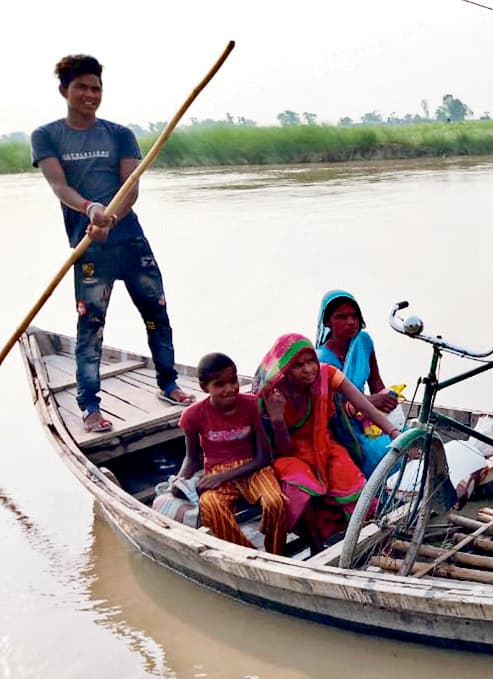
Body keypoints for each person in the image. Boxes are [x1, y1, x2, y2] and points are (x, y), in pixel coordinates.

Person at [31, 54, 193, 434]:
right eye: (82, 87)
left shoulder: (119, 134)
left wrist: (112, 217)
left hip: (130, 240)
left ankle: (169, 384)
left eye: (96, 88)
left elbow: (130, 186)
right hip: (88, 247)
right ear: (64, 91)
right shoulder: (47, 136)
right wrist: (90, 210)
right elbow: (59, 186)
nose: (90, 94)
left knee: (158, 314)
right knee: (91, 327)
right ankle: (90, 407)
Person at [257, 334, 402, 548]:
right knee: (300, 486)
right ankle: (316, 544)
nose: (308, 370)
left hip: (324, 444)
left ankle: (365, 534)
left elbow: (365, 407)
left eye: (310, 362)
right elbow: (281, 450)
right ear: (286, 368)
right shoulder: (274, 395)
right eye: (298, 365)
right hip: (290, 453)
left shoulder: (327, 374)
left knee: (351, 482)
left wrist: (394, 433)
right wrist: (277, 418)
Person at [177, 353, 287, 555]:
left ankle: (276, 554)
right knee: (210, 505)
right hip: (217, 471)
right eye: (220, 384)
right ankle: (249, 555)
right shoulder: (193, 415)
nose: (230, 389)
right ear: (204, 387)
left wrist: (223, 476)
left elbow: (264, 458)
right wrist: (178, 482)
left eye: (233, 381)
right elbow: (192, 458)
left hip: (253, 468)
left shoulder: (253, 405)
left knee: (276, 502)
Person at [315, 289, 401, 475]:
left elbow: (376, 383)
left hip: (369, 418)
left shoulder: (364, 341)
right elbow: (333, 409)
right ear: (327, 321)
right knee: (383, 452)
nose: (351, 322)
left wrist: (388, 400)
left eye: (354, 316)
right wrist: (372, 401)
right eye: (342, 317)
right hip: (342, 427)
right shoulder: (322, 360)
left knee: (409, 437)